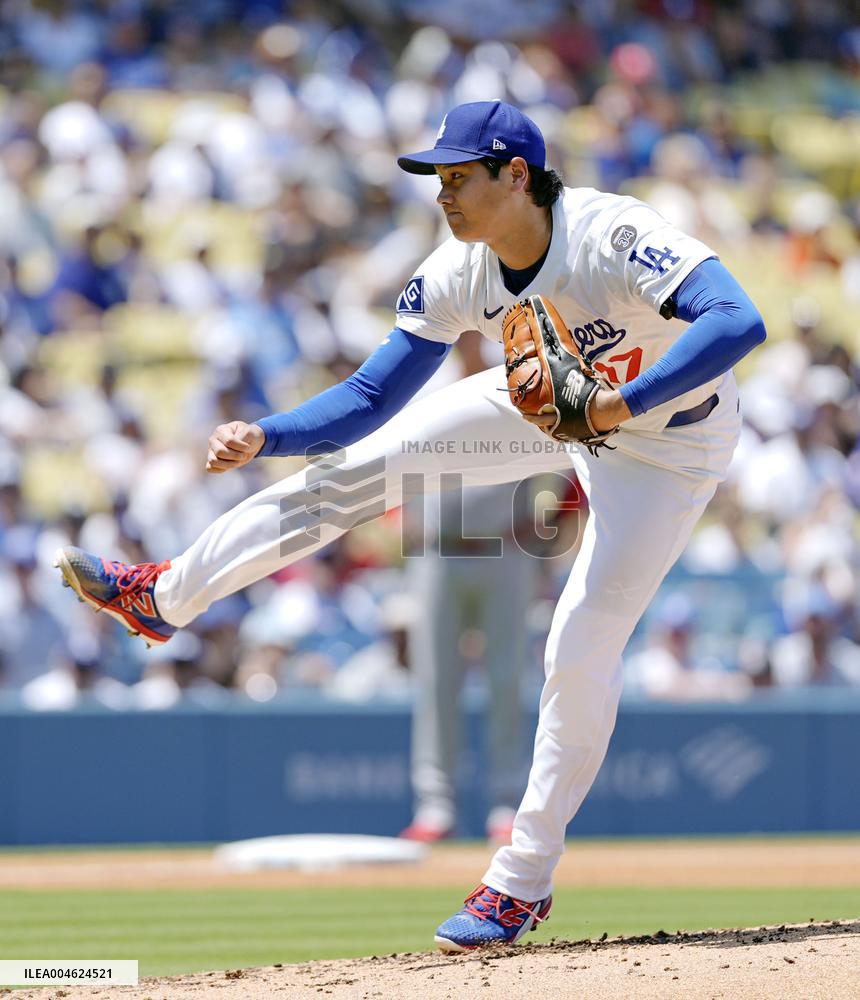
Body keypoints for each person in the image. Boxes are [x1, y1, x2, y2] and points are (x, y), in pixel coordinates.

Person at [54, 101, 765, 952]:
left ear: (517, 175)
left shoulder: (609, 234)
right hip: (552, 404)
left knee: (580, 642)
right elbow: (367, 398)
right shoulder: (460, 268)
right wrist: (269, 434)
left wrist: (618, 402)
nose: (443, 194)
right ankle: (160, 597)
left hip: (668, 450)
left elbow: (736, 319)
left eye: (459, 176)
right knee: (356, 472)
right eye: (439, 178)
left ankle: (521, 882)